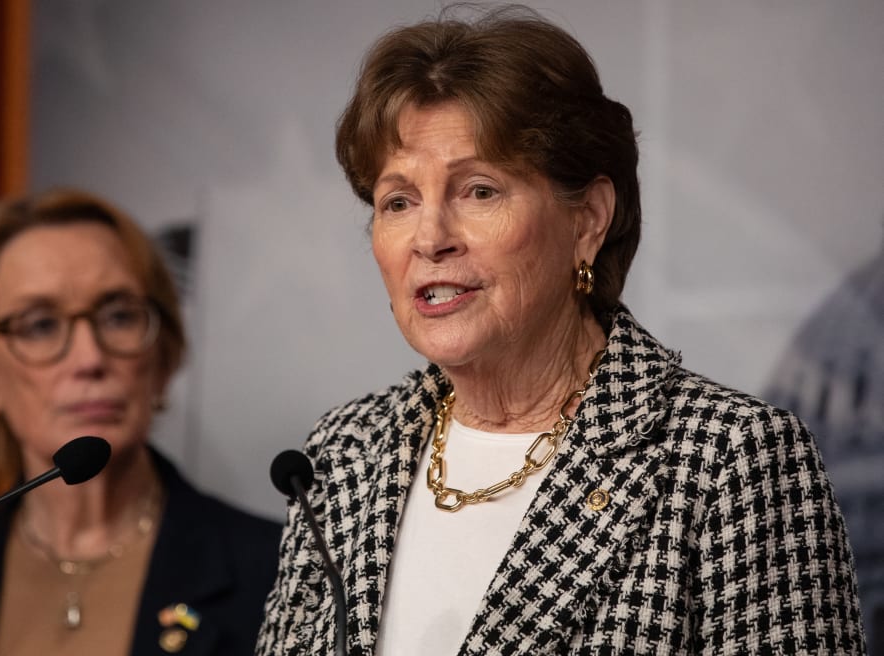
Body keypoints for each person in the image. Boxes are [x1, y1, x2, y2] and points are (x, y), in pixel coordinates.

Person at [257, 7, 866, 655]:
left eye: (479, 191)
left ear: (587, 221)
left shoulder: (732, 461)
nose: (429, 238)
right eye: (398, 201)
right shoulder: (341, 455)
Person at [0, 188, 281, 655]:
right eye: (40, 325)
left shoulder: (277, 571)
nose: (89, 358)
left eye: (118, 316)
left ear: (164, 356)